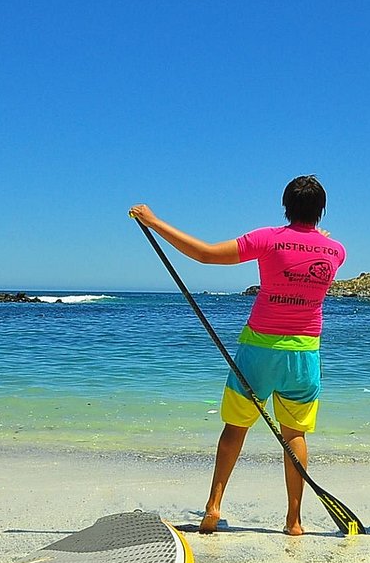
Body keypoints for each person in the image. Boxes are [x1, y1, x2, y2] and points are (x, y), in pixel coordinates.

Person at [129, 175, 345, 536]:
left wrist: (155, 222)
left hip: (259, 350)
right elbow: (316, 246)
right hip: (305, 354)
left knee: (235, 428)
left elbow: (205, 254)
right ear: (322, 211)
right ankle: (294, 521)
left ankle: (214, 504)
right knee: (295, 435)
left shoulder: (268, 238)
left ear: (285, 206)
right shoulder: (336, 250)